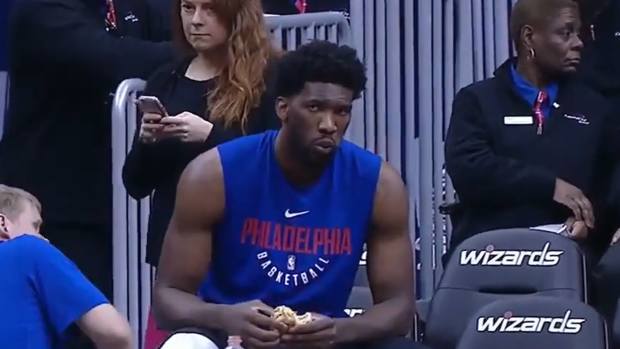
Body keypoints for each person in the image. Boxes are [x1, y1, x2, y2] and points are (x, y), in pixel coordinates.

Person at [152, 41, 424, 349]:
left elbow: (400, 309)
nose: (328, 124)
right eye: (314, 108)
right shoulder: (214, 173)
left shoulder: (379, 184)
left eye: (341, 111)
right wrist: (227, 317)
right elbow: (168, 298)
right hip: (232, 335)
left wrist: (338, 331)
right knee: (185, 345)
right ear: (282, 108)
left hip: (321, 339)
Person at [121, 0, 280, 346]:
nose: (196, 20)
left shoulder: (270, 79)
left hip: (249, 251)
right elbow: (135, 183)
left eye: (210, 10)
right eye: (188, 7)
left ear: (236, 14)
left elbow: (278, 165)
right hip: (177, 257)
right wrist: (148, 141)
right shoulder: (167, 78)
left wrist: (210, 137)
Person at [0, 0, 173, 302]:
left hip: (113, 197)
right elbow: (112, 58)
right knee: (73, 321)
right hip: (49, 207)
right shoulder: (41, 11)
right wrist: (206, 51)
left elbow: (177, 28)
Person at [444, 0, 620, 254]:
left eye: (578, 33)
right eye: (565, 33)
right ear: (529, 37)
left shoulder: (594, 107)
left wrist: (591, 222)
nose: (579, 43)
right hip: (487, 251)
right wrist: (550, 186)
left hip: (567, 254)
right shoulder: (478, 100)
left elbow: (608, 184)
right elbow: (469, 169)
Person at [0, 185, 132, 349]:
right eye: (35, 226)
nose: (44, 239)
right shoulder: (28, 249)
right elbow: (114, 333)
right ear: (3, 223)